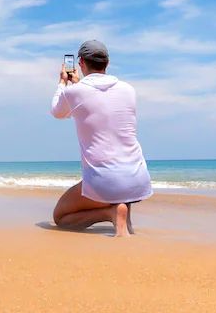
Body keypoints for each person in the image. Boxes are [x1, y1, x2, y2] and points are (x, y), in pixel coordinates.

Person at [50, 40, 152, 237]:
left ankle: (111, 212)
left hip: (104, 182)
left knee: (60, 218)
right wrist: (78, 85)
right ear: (107, 62)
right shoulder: (128, 89)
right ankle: (123, 213)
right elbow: (99, 102)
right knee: (120, 175)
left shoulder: (73, 92)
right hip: (137, 178)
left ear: (80, 63)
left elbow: (58, 112)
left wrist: (63, 82)